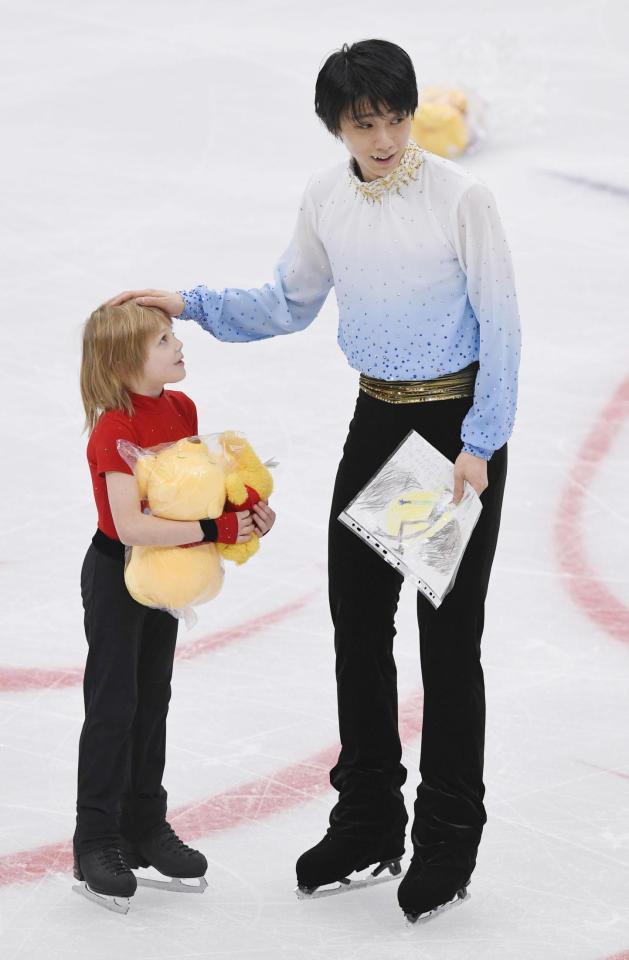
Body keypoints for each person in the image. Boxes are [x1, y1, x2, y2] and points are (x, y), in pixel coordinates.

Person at [108, 37, 521, 923]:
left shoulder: (461, 198)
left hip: (450, 437)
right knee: (357, 626)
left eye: (394, 118)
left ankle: (449, 832)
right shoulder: (328, 198)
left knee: (443, 643)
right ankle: (369, 815)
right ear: (336, 126)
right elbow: (288, 301)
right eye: (362, 122)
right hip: (378, 421)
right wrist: (192, 305)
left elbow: (505, 326)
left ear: (413, 112)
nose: (382, 137)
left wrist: (480, 445)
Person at [75, 301, 276, 913]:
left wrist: (248, 516)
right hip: (118, 575)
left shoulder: (182, 408)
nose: (179, 345)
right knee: (115, 704)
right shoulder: (116, 428)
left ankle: (142, 825)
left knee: (153, 698)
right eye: (164, 340)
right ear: (126, 360)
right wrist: (217, 529)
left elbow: (190, 491)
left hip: (166, 575)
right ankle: (96, 837)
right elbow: (133, 524)